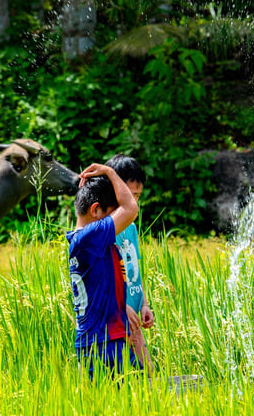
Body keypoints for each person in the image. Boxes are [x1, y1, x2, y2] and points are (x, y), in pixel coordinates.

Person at [67, 163, 139, 378]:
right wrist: (109, 171)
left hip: (106, 340)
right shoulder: (89, 236)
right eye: (111, 214)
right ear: (95, 210)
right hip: (102, 345)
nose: (116, 220)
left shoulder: (86, 241)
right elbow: (130, 209)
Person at [105, 154, 155, 374]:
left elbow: (135, 271)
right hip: (115, 319)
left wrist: (144, 303)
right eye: (130, 195)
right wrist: (122, 307)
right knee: (124, 378)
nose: (134, 202)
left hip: (133, 319)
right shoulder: (104, 230)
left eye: (138, 196)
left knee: (150, 375)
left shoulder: (131, 229)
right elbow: (103, 276)